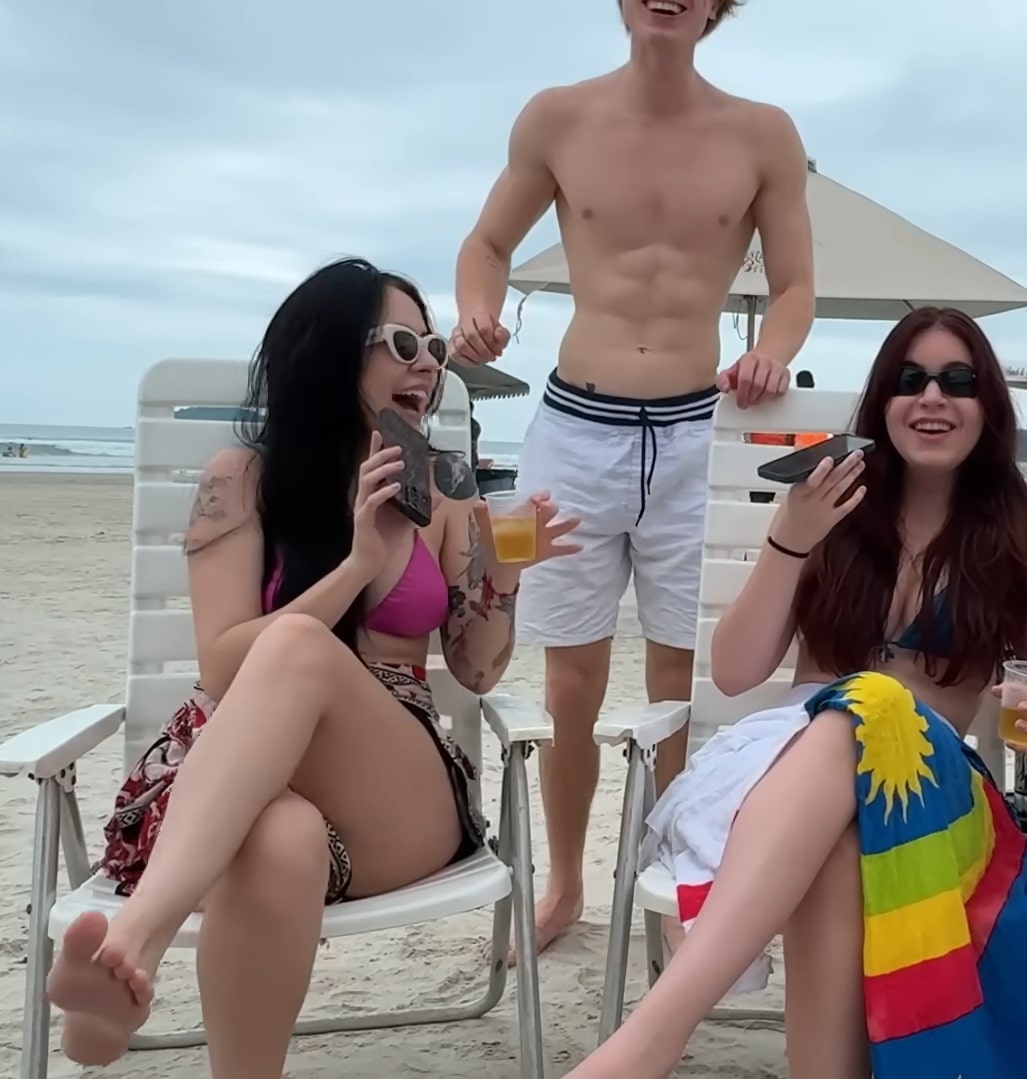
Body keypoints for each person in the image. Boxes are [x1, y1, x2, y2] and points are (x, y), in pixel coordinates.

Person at [40, 259, 579, 1075]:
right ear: (329, 350)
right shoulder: (240, 481)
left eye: (434, 347)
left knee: (296, 644)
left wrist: (502, 578)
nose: (429, 366)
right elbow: (224, 665)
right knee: (279, 835)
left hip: (393, 794)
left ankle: (134, 939)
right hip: (234, 796)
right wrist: (357, 565)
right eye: (403, 344)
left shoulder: (444, 497)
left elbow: (475, 672)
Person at [572, 308, 1027, 1079]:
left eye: (956, 380)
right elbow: (734, 671)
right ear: (882, 402)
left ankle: (652, 1037)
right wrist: (791, 536)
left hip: (931, 785)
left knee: (866, 704)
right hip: (790, 770)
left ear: (986, 402)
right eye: (909, 380)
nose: (931, 397)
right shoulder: (831, 503)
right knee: (845, 782)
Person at [451, 0, 818, 950]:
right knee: (569, 676)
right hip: (573, 431)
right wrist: (477, 307)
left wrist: (772, 353)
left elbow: (793, 286)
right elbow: (486, 243)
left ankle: (668, 880)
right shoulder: (555, 117)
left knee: (680, 675)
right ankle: (566, 883)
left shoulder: (764, 134)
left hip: (701, 431)